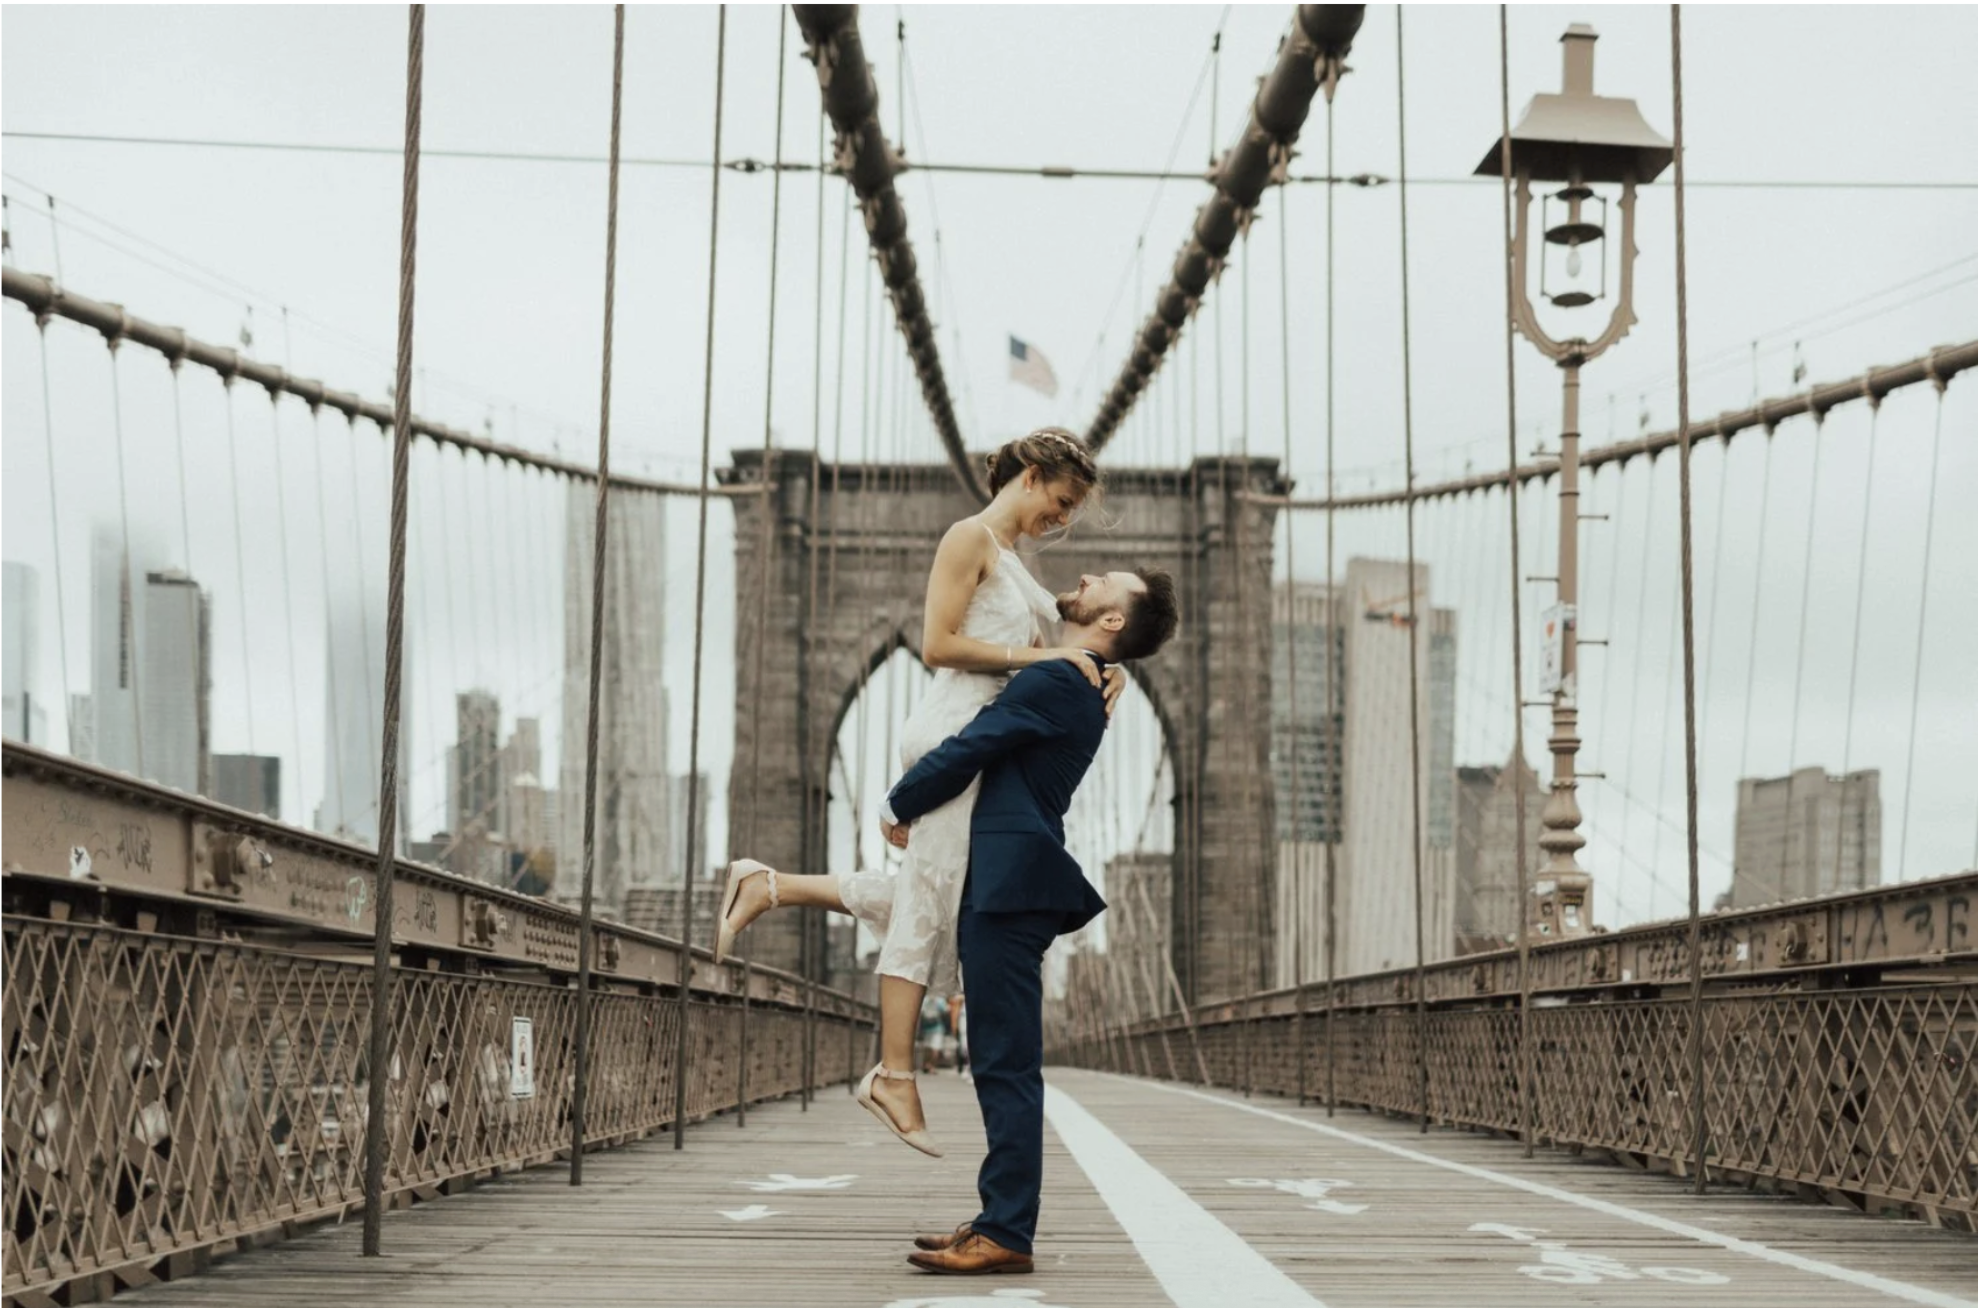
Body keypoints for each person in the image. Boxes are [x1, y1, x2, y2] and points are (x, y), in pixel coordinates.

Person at [713, 429, 1120, 1155]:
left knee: (939, 899)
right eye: (1059, 503)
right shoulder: (968, 538)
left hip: (977, 740)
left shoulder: (1016, 564)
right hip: (952, 735)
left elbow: (1060, 654)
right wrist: (1047, 656)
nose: (1060, 522)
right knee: (933, 900)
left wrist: (1098, 668)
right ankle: (893, 1073)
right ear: (1030, 476)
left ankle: (769, 884)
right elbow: (937, 645)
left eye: (1070, 514)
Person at [887, 564, 1180, 1274]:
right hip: (1010, 881)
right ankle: (996, 1218)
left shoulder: (1058, 680)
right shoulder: (1079, 678)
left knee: (1005, 1063)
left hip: (1010, 886)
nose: (1083, 574)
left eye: (1104, 579)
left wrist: (901, 801)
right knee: (1000, 1059)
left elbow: (972, 746)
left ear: (1111, 622)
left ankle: (1008, 1232)